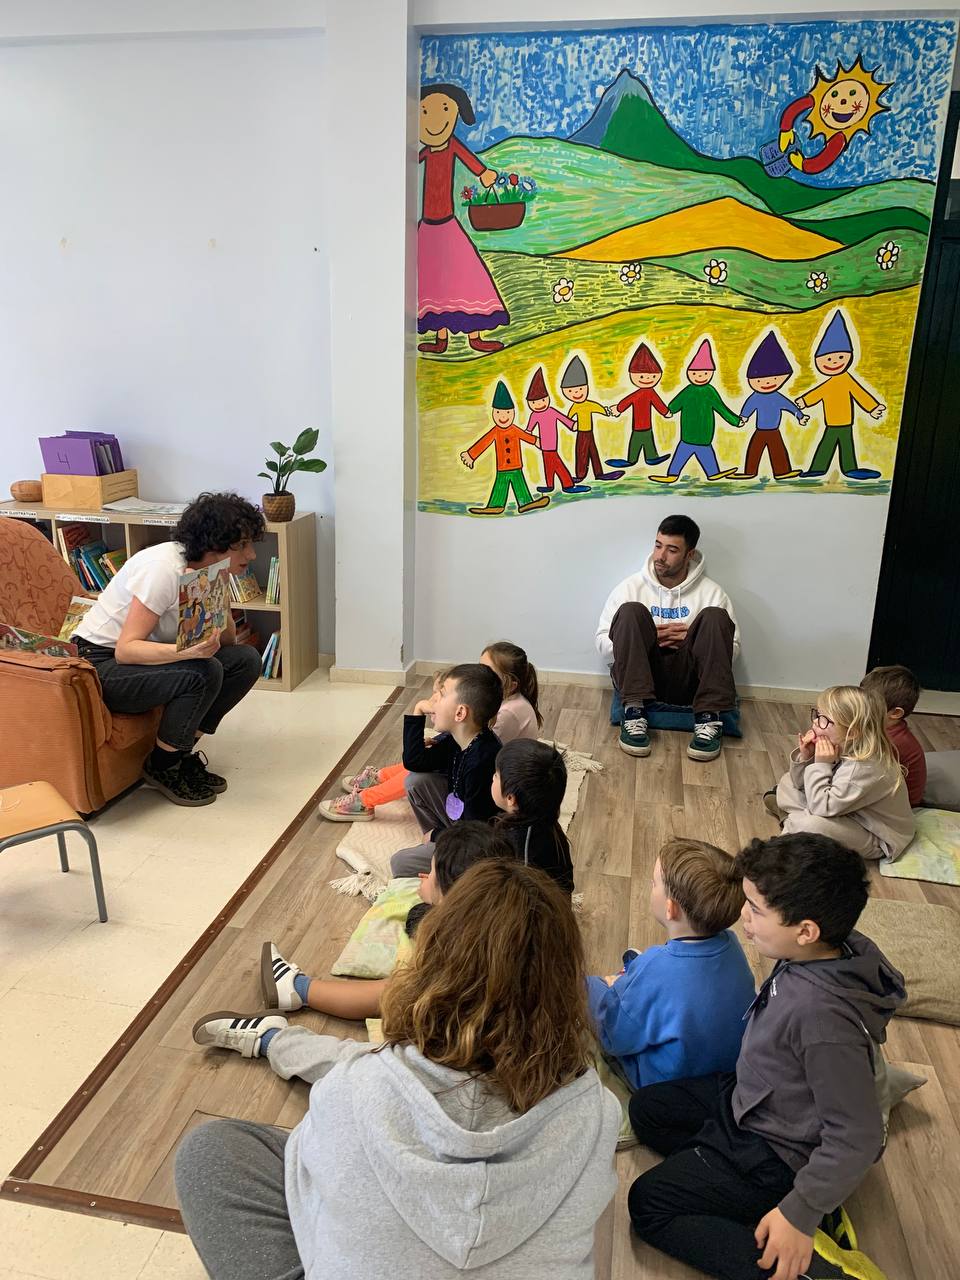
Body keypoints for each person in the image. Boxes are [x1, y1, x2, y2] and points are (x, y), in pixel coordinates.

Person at [180, 861, 621, 1280]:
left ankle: (275, 1034)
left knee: (211, 1150)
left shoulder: (357, 1084)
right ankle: (276, 1035)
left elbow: (311, 1187)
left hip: (356, 1089)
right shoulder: (597, 1112)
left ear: (429, 962)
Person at [627, 832, 904, 1280]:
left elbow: (859, 1135)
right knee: (647, 1109)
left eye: (755, 910)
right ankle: (749, 1194)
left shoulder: (824, 1021)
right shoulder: (822, 947)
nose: (742, 915)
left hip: (775, 1151)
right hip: (750, 1100)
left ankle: (798, 1250)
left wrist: (801, 1211)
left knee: (648, 1204)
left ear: (806, 931)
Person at [73, 492, 264, 806]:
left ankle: (182, 754)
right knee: (203, 670)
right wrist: (187, 654)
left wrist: (218, 595)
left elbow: (229, 642)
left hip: (146, 654)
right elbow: (125, 650)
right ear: (215, 544)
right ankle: (163, 766)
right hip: (100, 663)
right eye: (242, 545)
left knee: (245, 660)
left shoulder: (206, 567)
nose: (251, 554)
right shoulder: (162, 569)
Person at [259, 822, 511, 1022]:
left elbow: (401, 994)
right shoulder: (506, 905)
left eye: (432, 872)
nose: (424, 876)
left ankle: (295, 989)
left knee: (396, 990)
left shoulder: (456, 946)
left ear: (452, 894)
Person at [587, 839, 755, 1091]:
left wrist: (600, 988)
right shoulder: (732, 944)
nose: (651, 886)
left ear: (670, 909)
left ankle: (620, 981)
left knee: (589, 987)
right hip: (721, 1078)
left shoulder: (657, 968)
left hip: (666, 1089)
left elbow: (613, 1036)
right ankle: (627, 978)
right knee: (642, 974)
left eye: (654, 883)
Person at [322, 641, 540, 822]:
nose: (479, 673)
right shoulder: (493, 709)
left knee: (418, 774)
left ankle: (366, 800)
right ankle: (380, 777)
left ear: (510, 684)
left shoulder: (504, 717)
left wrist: (439, 837)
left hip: (489, 793)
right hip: (470, 785)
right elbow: (418, 758)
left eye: (487, 670)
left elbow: (475, 820)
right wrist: (421, 715)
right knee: (425, 758)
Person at [595, 514, 740, 763]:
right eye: (658, 545)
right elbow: (602, 643)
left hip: (689, 681)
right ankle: (634, 712)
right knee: (631, 611)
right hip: (641, 679)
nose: (660, 556)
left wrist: (694, 640)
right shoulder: (629, 588)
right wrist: (648, 638)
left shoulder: (712, 593)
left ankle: (709, 718)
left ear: (689, 554)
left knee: (715, 617)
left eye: (672, 550)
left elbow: (731, 651)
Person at [771, 685, 916, 861]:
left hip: (876, 835)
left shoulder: (864, 768)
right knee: (787, 782)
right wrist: (807, 757)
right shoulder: (844, 745)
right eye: (817, 714)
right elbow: (799, 783)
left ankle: (793, 823)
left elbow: (821, 808)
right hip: (845, 810)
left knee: (810, 824)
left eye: (825, 720)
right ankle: (796, 823)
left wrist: (821, 764)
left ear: (852, 732)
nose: (816, 722)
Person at [416, 82, 509, 355]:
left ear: (457, 114)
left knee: (466, 274)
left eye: (444, 109)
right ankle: (440, 337)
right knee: (432, 281)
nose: (434, 120)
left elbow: (471, 161)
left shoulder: (453, 146)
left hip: (448, 224)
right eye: (424, 112)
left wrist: (483, 173)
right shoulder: (421, 154)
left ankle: (474, 335)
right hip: (427, 228)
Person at [389, 663, 503, 877]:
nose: (433, 701)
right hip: (461, 824)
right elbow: (415, 762)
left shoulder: (482, 760)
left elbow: (475, 831)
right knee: (415, 781)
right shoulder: (458, 738)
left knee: (400, 863)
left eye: (440, 695)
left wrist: (437, 835)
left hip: (476, 845)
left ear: (460, 713)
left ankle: (446, 860)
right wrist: (417, 711)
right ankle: (437, 848)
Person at [795, 310, 884, 481]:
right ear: (818, 360)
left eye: (840, 357)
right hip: (832, 422)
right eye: (828, 359)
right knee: (827, 445)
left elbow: (860, 394)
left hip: (845, 422)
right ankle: (819, 468)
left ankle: (849, 468)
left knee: (845, 445)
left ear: (849, 357)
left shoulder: (847, 380)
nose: (834, 362)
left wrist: (872, 408)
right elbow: (817, 393)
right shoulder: (829, 383)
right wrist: (804, 401)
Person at [650, 339, 738, 484]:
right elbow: (675, 404)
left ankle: (712, 473)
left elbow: (722, 409)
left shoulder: (710, 392)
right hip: (688, 434)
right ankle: (673, 475)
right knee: (682, 454)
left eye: (705, 373)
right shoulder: (688, 391)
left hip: (704, 434)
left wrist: (736, 421)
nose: (700, 377)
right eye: (695, 373)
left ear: (711, 374)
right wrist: (668, 411)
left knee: (704, 452)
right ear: (689, 373)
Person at [492, 738, 574, 892]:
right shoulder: (544, 814)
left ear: (510, 799)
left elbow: (520, 896)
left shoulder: (522, 854)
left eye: (496, 775)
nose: (492, 778)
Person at [460, 379, 550, 516]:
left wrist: (537, 441)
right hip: (502, 467)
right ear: (493, 413)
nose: (503, 417)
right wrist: (471, 455)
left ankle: (525, 503)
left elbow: (526, 436)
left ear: (513, 413)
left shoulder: (515, 430)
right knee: (499, 486)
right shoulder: (495, 432)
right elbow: (483, 442)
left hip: (516, 466)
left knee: (520, 484)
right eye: (498, 413)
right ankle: (495, 505)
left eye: (507, 412)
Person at [734, 330, 806, 480]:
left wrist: (799, 416)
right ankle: (750, 471)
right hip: (760, 430)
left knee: (777, 450)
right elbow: (748, 407)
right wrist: (744, 417)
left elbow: (790, 406)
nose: (767, 383)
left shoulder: (777, 397)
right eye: (759, 380)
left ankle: (782, 472)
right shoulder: (755, 397)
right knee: (754, 450)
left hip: (774, 431)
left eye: (773, 379)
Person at [860, 664, 926, 808]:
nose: (860, 706)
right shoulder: (882, 728)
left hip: (900, 805)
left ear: (895, 713)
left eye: (868, 703)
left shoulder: (893, 742)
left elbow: (861, 774)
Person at [561, 354, 625, 483]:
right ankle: (580, 475)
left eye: (580, 389)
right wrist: (572, 425)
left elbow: (600, 409)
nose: (577, 393)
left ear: (586, 388)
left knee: (593, 453)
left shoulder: (590, 404)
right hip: (581, 433)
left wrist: (610, 412)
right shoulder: (575, 406)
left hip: (589, 433)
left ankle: (598, 473)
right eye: (571, 391)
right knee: (581, 453)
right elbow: (569, 418)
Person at [612, 341, 672, 469]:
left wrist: (665, 412)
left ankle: (650, 457)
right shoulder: (638, 394)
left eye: (652, 376)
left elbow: (658, 404)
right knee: (636, 441)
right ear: (632, 375)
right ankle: (632, 459)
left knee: (648, 441)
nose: (647, 379)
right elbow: (627, 401)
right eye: (642, 376)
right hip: (638, 426)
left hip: (646, 426)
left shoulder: (650, 393)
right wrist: (618, 409)